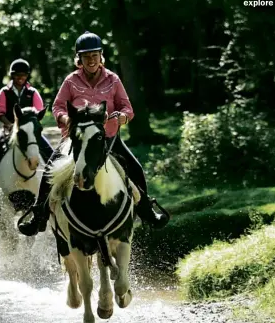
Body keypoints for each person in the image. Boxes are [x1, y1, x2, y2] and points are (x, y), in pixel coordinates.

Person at [18, 31, 170, 236]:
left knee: (136, 168)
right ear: (79, 59)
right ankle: (39, 215)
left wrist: (120, 117)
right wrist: (65, 119)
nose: (91, 60)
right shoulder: (71, 81)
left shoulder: (113, 80)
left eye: (94, 55)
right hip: (77, 140)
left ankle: (147, 212)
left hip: (107, 139)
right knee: (49, 172)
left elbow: (128, 109)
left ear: (101, 56)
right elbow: (57, 106)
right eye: (86, 56)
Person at [0, 58, 53, 192]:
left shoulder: (33, 93)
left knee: (50, 153)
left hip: (30, 132)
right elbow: (0, 112)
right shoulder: (4, 92)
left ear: (27, 76)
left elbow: (38, 111)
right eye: (17, 75)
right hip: (9, 131)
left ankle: (53, 186)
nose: (20, 78)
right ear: (12, 75)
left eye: (23, 75)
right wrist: (11, 125)